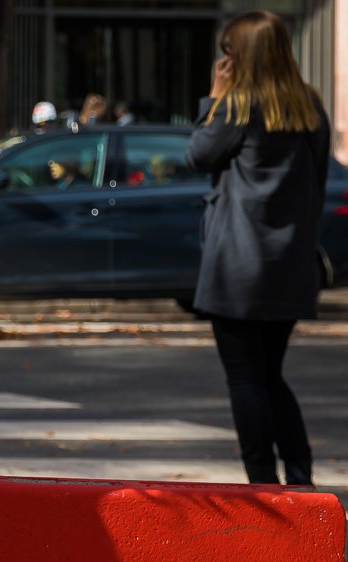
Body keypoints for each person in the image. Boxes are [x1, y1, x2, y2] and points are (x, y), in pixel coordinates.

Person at [185, 9, 328, 486]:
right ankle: (300, 478)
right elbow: (319, 185)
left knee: (246, 379)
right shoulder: (308, 109)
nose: (223, 59)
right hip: (288, 266)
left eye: (228, 52)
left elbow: (198, 154)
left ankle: (263, 485)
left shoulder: (237, 106)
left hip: (237, 269)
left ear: (242, 57)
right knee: (270, 375)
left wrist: (214, 96)